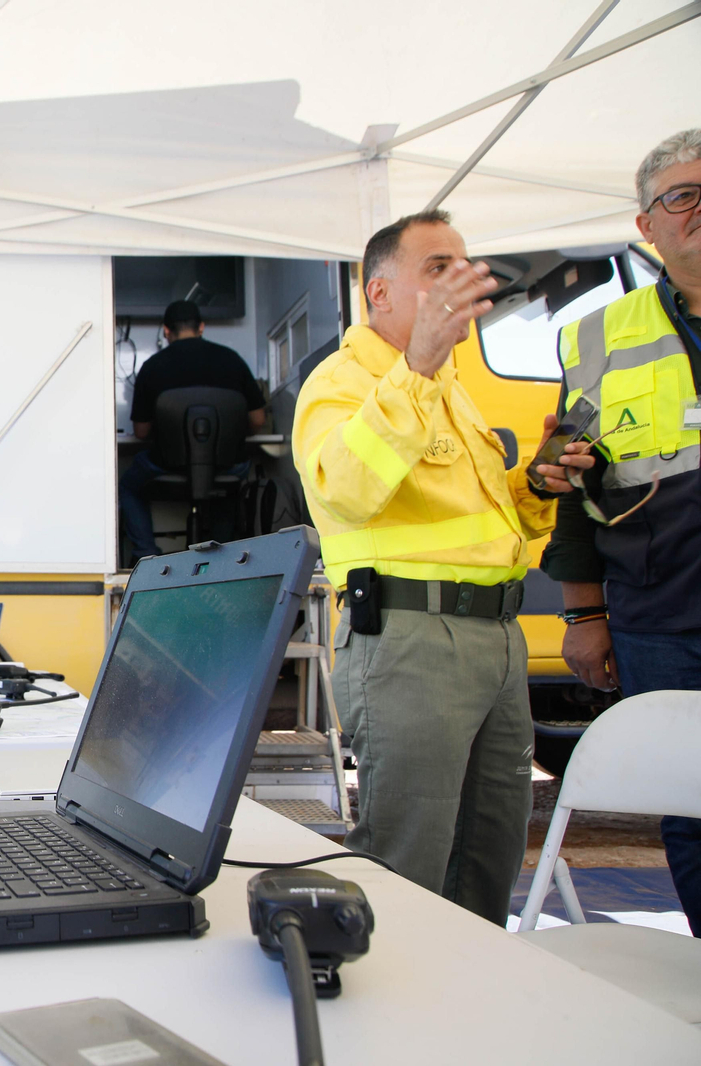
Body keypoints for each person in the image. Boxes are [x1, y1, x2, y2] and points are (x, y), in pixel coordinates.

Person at [291, 209, 592, 925]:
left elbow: (490, 526)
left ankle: (468, 1013)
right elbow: (343, 490)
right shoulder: (341, 383)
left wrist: (537, 486)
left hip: (496, 639)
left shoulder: (454, 392)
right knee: (409, 859)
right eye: (438, 268)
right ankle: (394, 1023)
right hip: (411, 640)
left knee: (489, 855)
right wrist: (418, 370)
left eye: (465, 266)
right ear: (380, 293)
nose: (462, 282)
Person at [541, 128, 701, 937]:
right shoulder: (595, 338)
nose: (699, 208)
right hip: (659, 613)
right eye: (682, 194)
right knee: (686, 802)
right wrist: (583, 614)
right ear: (648, 224)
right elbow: (572, 486)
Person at [119, 299, 267, 563]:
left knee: (129, 486)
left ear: (166, 331)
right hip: (226, 467)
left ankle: (145, 555)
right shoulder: (232, 360)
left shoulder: (153, 366)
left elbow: (141, 432)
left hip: (167, 466)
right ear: (201, 327)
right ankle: (224, 558)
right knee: (233, 483)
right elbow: (258, 420)